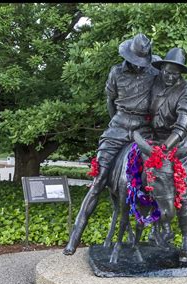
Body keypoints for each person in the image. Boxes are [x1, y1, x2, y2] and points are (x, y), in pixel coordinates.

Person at [63, 33, 159, 255]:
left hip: (144, 131)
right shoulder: (116, 72)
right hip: (118, 126)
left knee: (158, 174)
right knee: (99, 179)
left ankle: (156, 230)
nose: (138, 66)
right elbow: (110, 102)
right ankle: (75, 236)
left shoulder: (155, 73)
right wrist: (117, 125)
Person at [148, 47, 187, 262]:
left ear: (181, 74)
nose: (170, 77)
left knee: (181, 194)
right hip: (152, 141)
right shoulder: (154, 82)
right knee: (150, 187)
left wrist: (165, 149)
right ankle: (156, 232)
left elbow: (181, 127)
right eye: (167, 72)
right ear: (161, 69)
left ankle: (186, 243)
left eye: (175, 74)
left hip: (175, 145)